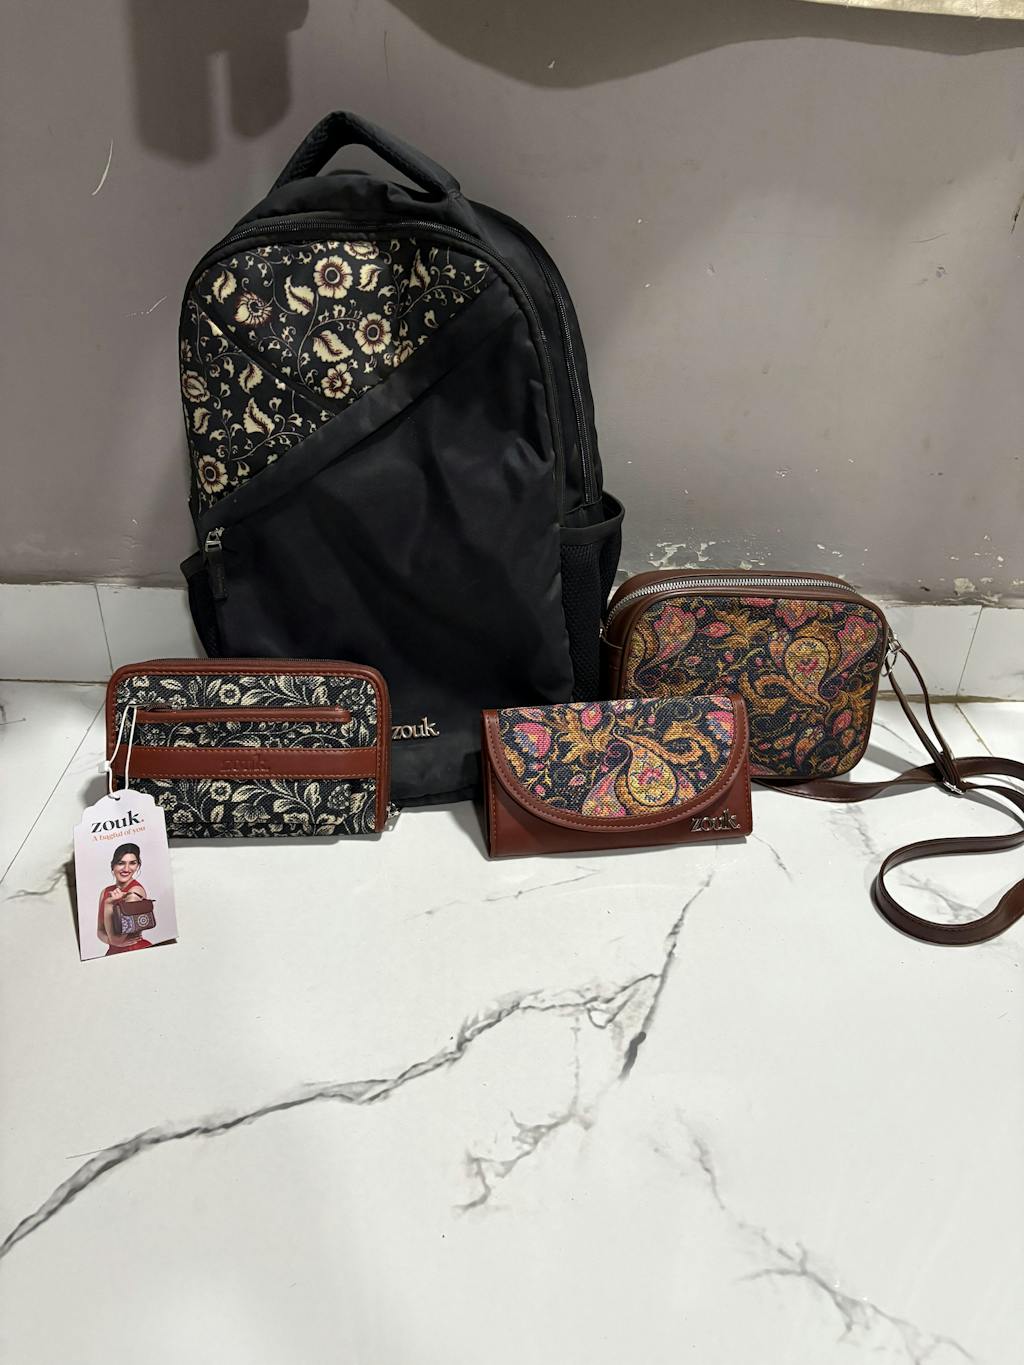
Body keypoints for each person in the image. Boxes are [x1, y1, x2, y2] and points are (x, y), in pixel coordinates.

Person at [97, 843, 153, 955]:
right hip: (113, 952)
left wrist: (108, 904)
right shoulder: (105, 892)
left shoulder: (135, 893)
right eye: (121, 863)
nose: (126, 869)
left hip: (134, 951)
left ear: (137, 866)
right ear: (113, 865)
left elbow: (117, 939)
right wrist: (113, 942)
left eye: (132, 863)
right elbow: (100, 931)